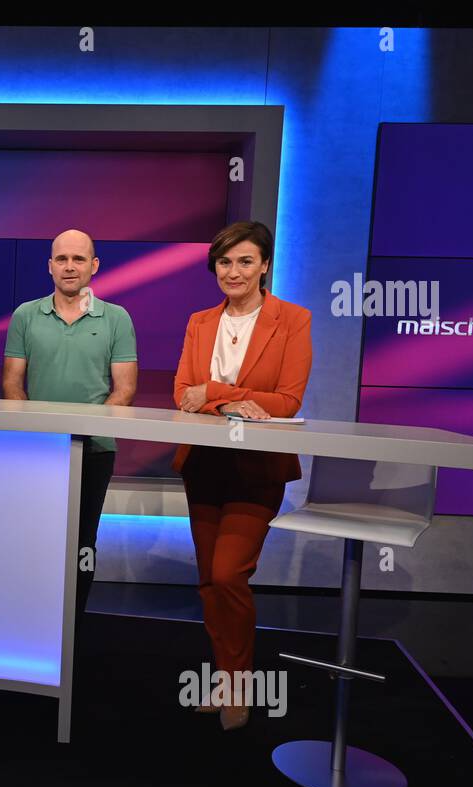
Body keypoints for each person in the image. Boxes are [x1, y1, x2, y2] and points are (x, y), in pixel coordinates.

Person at [172, 220, 312, 731]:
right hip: (205, 462)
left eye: (245, 261)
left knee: (231, 573)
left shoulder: (292, 320)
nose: (234, 271)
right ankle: (226, 676)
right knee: (209, 578)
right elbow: (180, 392)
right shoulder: (199, 321)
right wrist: (228, 396)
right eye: (225, 262)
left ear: (266, 265)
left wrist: (211, 392)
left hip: (259, 468)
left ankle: (239, 681)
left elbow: (285, 402)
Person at [3, 229, 138, 618]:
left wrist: (82, 432)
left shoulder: (116, 318)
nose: (69, 266)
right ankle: (33, 622)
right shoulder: (26, 315)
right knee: (35, 540)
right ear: (49, 266)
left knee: (82, 543)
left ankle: (73, 626)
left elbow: (124, 390)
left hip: (95, 451)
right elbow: (12, 384)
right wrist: (44, 436)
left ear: (94, 266)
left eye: (79, 259)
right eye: (61, 259)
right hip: (38, 451)